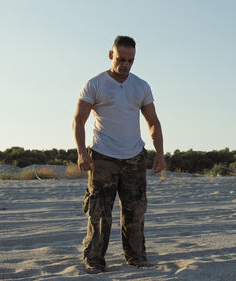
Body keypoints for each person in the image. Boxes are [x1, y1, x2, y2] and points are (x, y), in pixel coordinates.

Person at [73, 35, 165, 274]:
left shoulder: (141, 86)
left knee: (135, 210)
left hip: (134, 158)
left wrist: (160, 154)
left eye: (131, 60)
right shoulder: (95, 84)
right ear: (111, 54)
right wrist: (82, 153)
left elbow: (153, 121)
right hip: (103, 157)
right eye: (121, 59)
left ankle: (136, 258)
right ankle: (94, 260)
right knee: (99, 211)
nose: (125, 64)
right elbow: (78, 120)